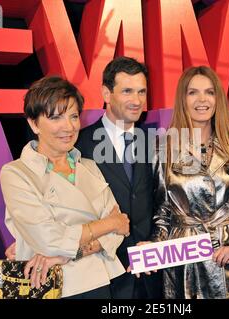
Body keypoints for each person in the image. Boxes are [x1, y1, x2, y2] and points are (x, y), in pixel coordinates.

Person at [0, 76, 130, 299]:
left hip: (99, 283)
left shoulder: (88, 167)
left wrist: (65, 256)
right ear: (33, 123)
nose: (68, 127)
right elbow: (49, 240)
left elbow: (119, 232)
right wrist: (108, 223)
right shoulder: (16, 173)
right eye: (56, 117)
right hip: (51, 287)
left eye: (73, 116)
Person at [150, 66, 229, 299]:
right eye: (193, 92)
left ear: (218, 99)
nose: (202, 100)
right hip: (184, 260)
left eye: (209, 92)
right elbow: (162, 214)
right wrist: (152, 250)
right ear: (182, 99)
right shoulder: (164, 150)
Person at [75, 57, 162, 298]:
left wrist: (155, 242)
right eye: (127, 91)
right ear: (106, 92)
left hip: (150, 274)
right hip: (103, 275)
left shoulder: (154, 142)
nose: (136, 101)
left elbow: (161, 202)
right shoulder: (80, 145)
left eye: (141, 92)